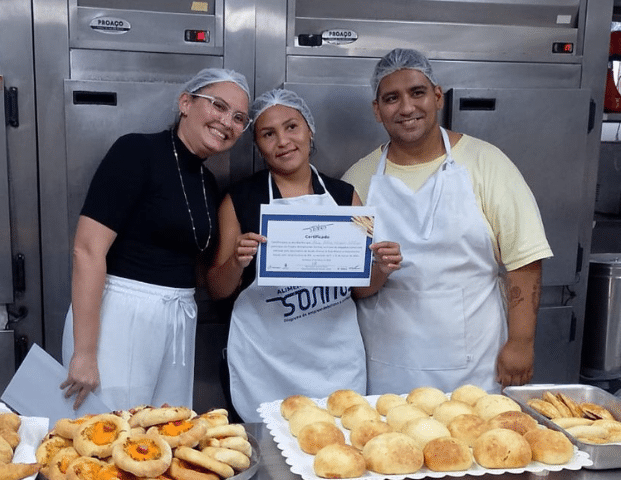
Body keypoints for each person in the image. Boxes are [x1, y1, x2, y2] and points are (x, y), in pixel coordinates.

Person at [342, 48, 553, 395]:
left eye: (417, 92)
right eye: (392, 98)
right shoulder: (358, 179)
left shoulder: (486, 163)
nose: (406, 108)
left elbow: (525, 260)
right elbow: (354, 281)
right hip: (387, 366)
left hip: (475, 366)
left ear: (437, 96)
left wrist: (521, 342)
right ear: (377, 110)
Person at [60, 68, 251, 411]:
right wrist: (84, 352)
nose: (227, 122)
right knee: (110, 430)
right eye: (218, 105)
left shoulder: (207, 183)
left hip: (178, 319)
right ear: (186, 103)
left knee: (165, 429)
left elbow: (199, 272)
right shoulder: (136, 151)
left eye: (239, 118)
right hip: (120, 315)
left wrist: (236, 261)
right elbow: (87, 250)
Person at [206, 89, 402, 422]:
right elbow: (217, 289)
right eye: (268, 134)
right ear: (258, 145)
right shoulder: (240, 200)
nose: (283, 141)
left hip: (334, 362)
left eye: (292, 127)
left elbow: (361, 288)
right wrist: (237, 262)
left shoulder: (344, 197)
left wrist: (381, 268)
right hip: (265, 364)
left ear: (309, 130)